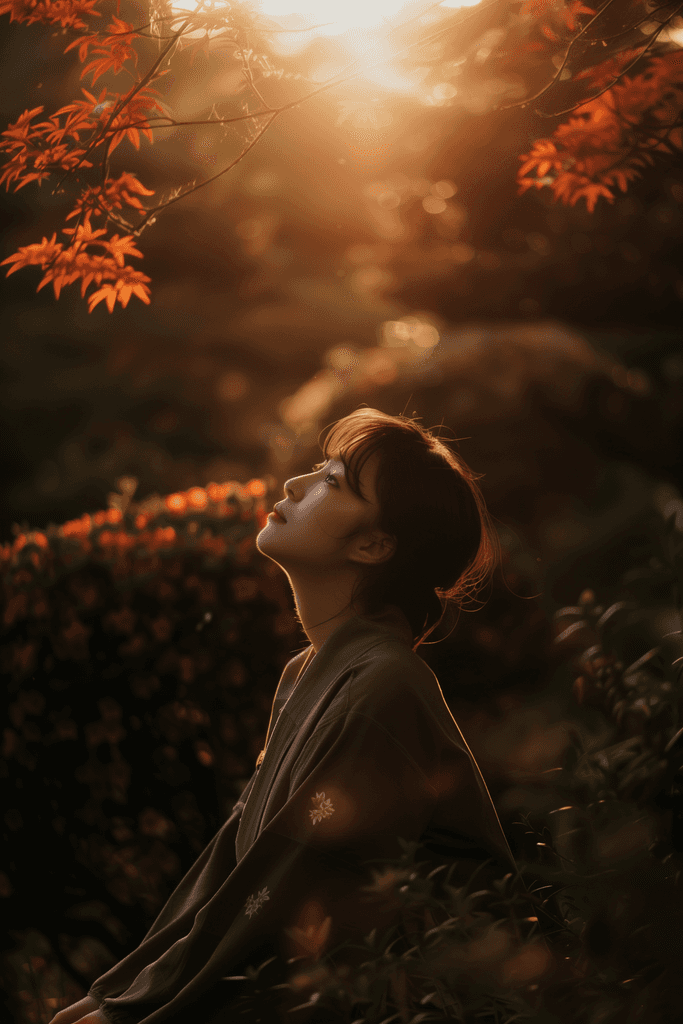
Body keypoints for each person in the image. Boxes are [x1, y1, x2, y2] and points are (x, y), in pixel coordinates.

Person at [51, 406, 526, 1024]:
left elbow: (292, 877)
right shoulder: (305, 672)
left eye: (333, 482)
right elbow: (235, 863)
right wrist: (120, 991)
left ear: (375, 544)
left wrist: (133, 1011)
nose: (294, 485)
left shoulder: (385, 684)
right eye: (318, 469)